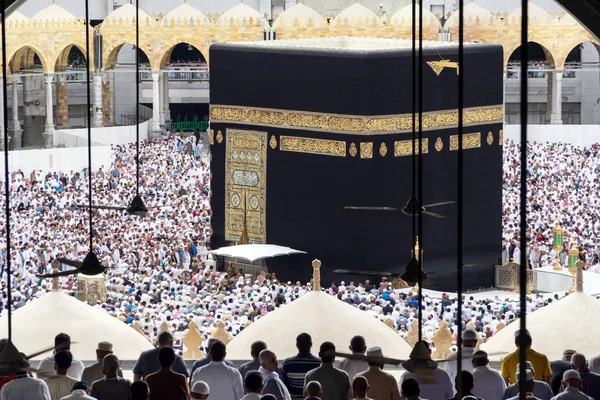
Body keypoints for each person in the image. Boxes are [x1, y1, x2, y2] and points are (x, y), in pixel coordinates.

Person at [281, 333, 321, 398]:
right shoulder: (319, 363)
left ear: (297, 345)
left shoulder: (287, 364)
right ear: (311, 344)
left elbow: (284, 385)